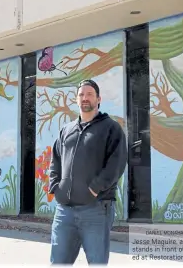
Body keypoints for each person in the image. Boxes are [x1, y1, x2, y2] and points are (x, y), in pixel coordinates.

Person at [48, 79, 127, 265]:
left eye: (90, 94)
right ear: (76, 100)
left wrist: (94, 189)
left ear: (98, 99)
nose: (85, 98)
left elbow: (117, 164)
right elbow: (55, 160)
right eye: (81, 94)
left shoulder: (111, 128)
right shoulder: (66, 130)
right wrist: (55, 186)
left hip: (96, 209)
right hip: (64, 211)